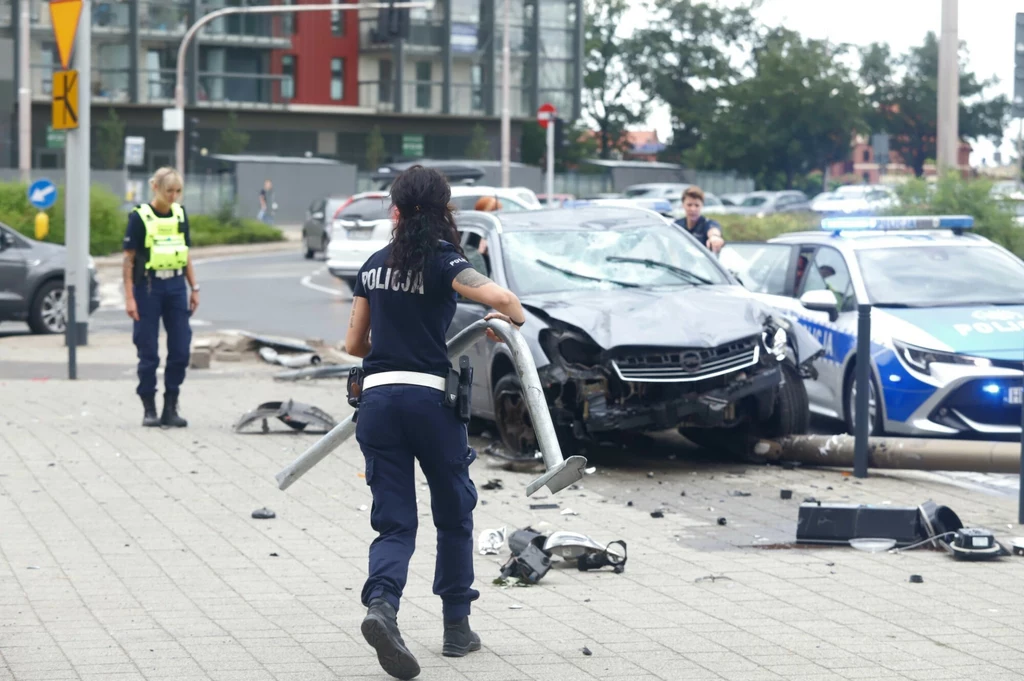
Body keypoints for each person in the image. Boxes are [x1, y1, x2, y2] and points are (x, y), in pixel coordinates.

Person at [344, 165, 526, 680]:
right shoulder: (446, 261)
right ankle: (455, 628)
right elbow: (505, 301)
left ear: (395, 211)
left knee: (395, 521)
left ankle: (382, 606)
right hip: (430, 402)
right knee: (453, 513)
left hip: (377, 403)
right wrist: (505, 324)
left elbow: (355, 346)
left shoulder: (374, 265)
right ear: (444, 211)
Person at [122, 167, 200, 428]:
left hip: (176, 285)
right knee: (148, 351)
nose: (174, 196)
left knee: (180, 349)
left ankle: (170, 407)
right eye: (170, 191)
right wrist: (129, 297)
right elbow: (128, 259)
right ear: (155, 187)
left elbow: (186, 253)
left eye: (178, 191)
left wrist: (194, 288)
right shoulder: (139, 217)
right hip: (148, 288)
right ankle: (149, 409)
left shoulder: (180, 214)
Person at [673, 185, 725, 253]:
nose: (693, 209)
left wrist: (714, 237)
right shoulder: (677, 225)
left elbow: (713, 230)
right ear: (683, 205)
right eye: (689, 205)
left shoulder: (707, 223)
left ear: (702, 206)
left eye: (697, 205)